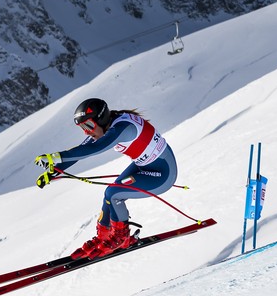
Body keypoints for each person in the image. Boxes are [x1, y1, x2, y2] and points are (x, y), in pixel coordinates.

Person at [34, 98, 178, 259]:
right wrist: (55, 171)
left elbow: (95, 148)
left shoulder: (122, 128)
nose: (86, 131)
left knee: (114, 193)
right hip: (144, 166)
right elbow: (84, 149)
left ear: (101, 119)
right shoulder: (108, 125)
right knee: (109, 195)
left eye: (88, 125)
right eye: (82, 127)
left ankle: (120, 238)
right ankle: (104, 237)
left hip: (162, 174)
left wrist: (56, 157)